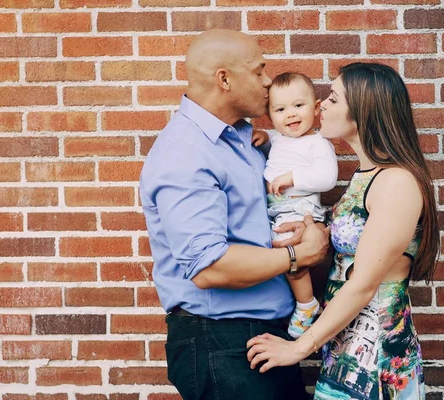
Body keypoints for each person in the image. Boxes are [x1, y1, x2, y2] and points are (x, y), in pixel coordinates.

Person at [139, 29, 330, 400]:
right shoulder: (186, 152)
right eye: (258, 71)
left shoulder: (243, 139)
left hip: (259, 338)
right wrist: (299, 255)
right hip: (222, 343)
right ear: (224, 79)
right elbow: (210, 267)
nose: (268, 81)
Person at [247, 62, 440, 400]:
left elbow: (364, 285)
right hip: (343, 346)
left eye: (333, 99)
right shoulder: (365, 177)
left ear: (362, 113)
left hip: (376, 358)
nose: (321, 106)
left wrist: (297, 348)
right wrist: (313, 233)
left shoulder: (395, 182)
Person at [251, 72, 338, 339]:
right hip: (277, 210)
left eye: (298, 106)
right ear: (270, 116)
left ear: (315, 107)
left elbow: (327, 178)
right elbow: (276, 160)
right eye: (280, 109)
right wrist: (264, 142)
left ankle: (307, 305)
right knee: (276, 253)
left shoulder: (318, 143)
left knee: (292, 256)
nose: (290, 114)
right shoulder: (278, 140)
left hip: (300, 209)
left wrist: (293, 178)